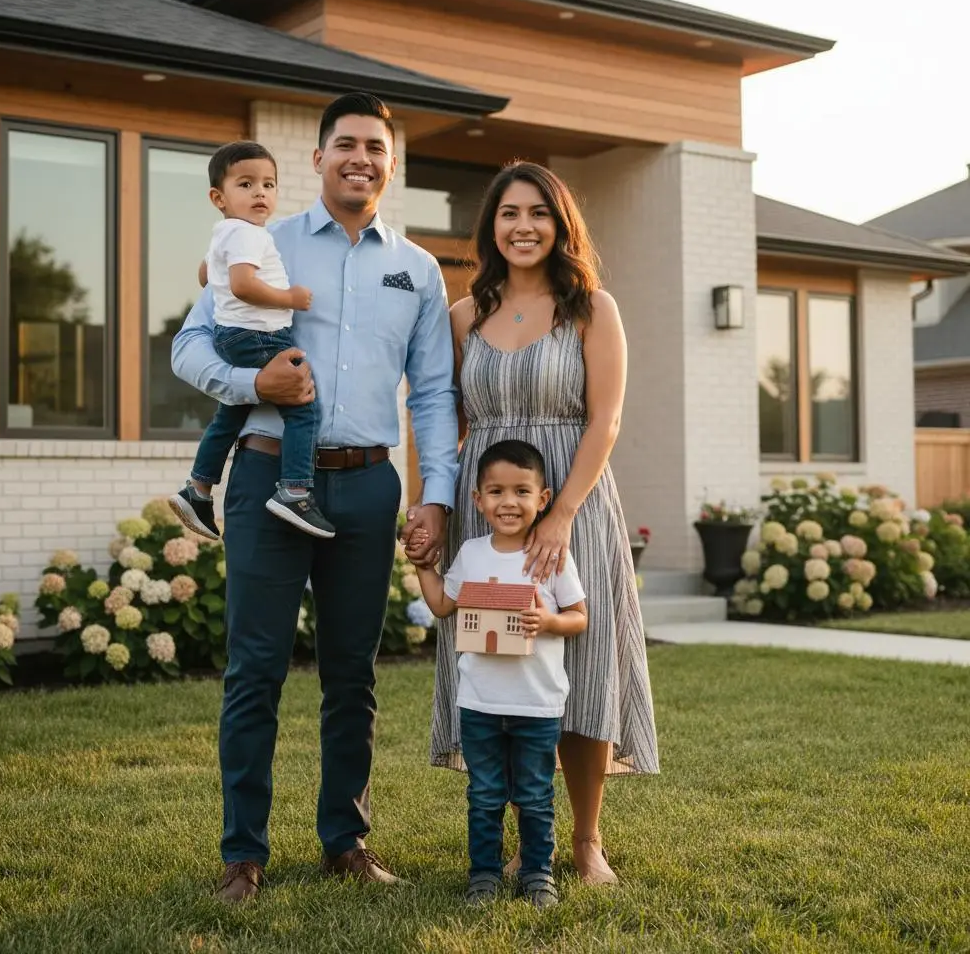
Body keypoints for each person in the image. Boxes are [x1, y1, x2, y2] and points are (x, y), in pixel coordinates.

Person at [171, 92, 457, 903]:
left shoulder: (418, 270)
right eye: (345, 145)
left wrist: (435, 495)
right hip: (268, 474)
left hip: (369, 483)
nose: (359, 158)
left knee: (352, 674)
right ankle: (242, 855)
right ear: (318, 157)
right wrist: (247, 379)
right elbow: (189, 345)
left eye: (375, 146)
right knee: (254, 669)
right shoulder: (264, 241)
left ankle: (345, 839)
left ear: (391, 164)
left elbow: (433, 392)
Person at [407, 160, 659, 886]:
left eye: (538, 214)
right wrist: (433, 504)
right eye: (509, 213)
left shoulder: (591, 309)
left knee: (583, 666)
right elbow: (437, 421)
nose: (524, 227)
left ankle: (585, 840)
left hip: (571, 502)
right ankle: (526, 843)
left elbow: (606, 418)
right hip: (488, 508)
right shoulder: (462, 318)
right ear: (491, 227)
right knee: (504, 665)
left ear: (560, 226)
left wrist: (563, 515)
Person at [415, 439, 587, 908]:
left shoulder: (551, 556)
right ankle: (484, 875)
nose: (508, 502)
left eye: (521, 491)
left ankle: (537, 873)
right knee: (485, 794)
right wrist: (422, 568)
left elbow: (579, 616)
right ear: (478, 500)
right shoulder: (471, 553)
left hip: (536, 701)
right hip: (480, 702)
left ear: (543, 499)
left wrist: (549, 622)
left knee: (534, 794)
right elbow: (443, 606)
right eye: (495, 491)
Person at [168, 141, 333, 541]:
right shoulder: (248, 235)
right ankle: (294, 490)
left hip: (232, 335)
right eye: (246, 184)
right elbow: (242, 284)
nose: (260, 192)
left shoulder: (225, 232)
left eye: (268, 184)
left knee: (231, 412)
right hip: (258, 335)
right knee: (303, 406)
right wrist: (290, 298)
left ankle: (199, 488)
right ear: (218, 197)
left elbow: (208, 275)